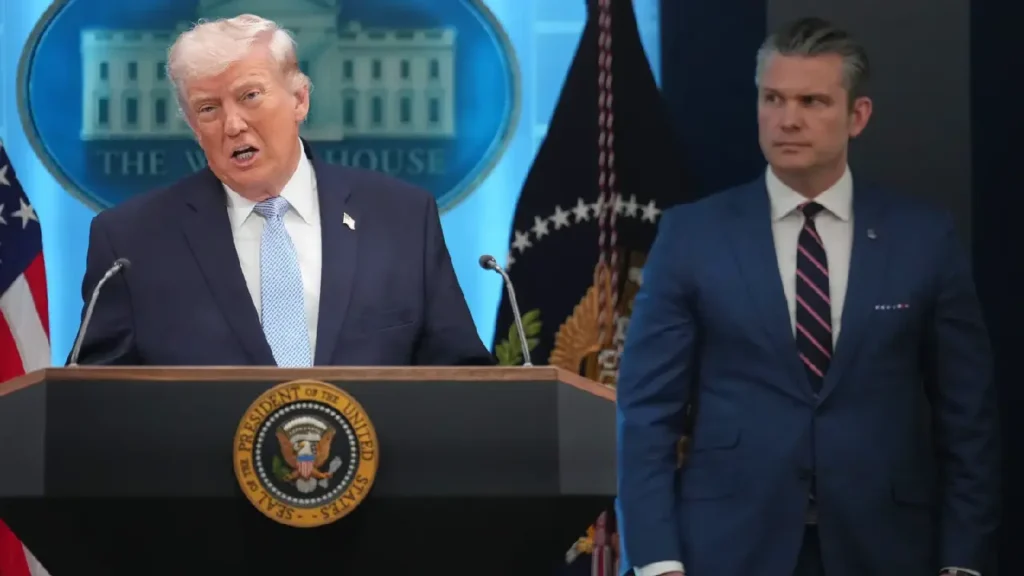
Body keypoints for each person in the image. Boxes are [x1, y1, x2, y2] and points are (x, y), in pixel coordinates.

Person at [615, 17, 999, 576]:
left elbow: (969, 420)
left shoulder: (923, 239)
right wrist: (655, 560)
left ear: (857, 116)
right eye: (773, 98)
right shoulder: (692, 235)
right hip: (726, 548)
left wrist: (964, 562)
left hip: (885, 547)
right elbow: (647, 413)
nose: (788, 119)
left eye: (813, 101)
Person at [70, 14, 492, 367]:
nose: (233, 124)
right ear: (194, 127)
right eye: (208, 109)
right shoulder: (130, 242)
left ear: (300, 100)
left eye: (250, 95)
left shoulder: (401, 218)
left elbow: (461, 378)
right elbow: (96, 404)